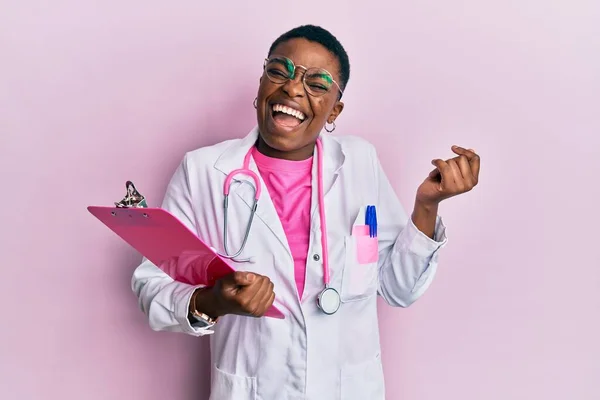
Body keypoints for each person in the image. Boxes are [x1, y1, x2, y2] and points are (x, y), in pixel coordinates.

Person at [131, 24, 480, 400]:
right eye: (279, 71)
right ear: (260, 87)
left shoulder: (359, 162)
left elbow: (398, 288)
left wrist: (427, 205)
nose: (293, 89)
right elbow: (152, 286)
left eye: (317, 83)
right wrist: (214, 301)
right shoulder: (202, 170)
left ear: (335, 109)